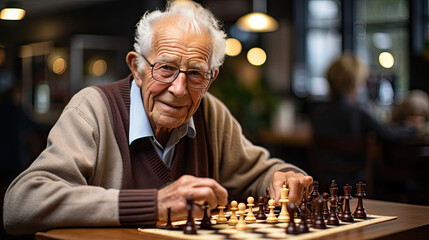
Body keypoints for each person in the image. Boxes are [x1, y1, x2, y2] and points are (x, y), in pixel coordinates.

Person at [3, 0, 312, 235]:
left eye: (195, 74)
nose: (178, 89)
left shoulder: (211, 113)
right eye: (165, 68)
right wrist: (154, 204)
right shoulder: (93, 109)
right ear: (137, 68)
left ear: (211, 77)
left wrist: (283, 177)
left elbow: (260, 171)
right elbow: (21, 204)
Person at [308, 52, 418, 188]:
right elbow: (387, 134)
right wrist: (411, 127)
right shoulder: (358, 113)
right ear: (355, 83)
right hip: (357, 185)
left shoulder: (317, 113)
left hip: (324, 184)